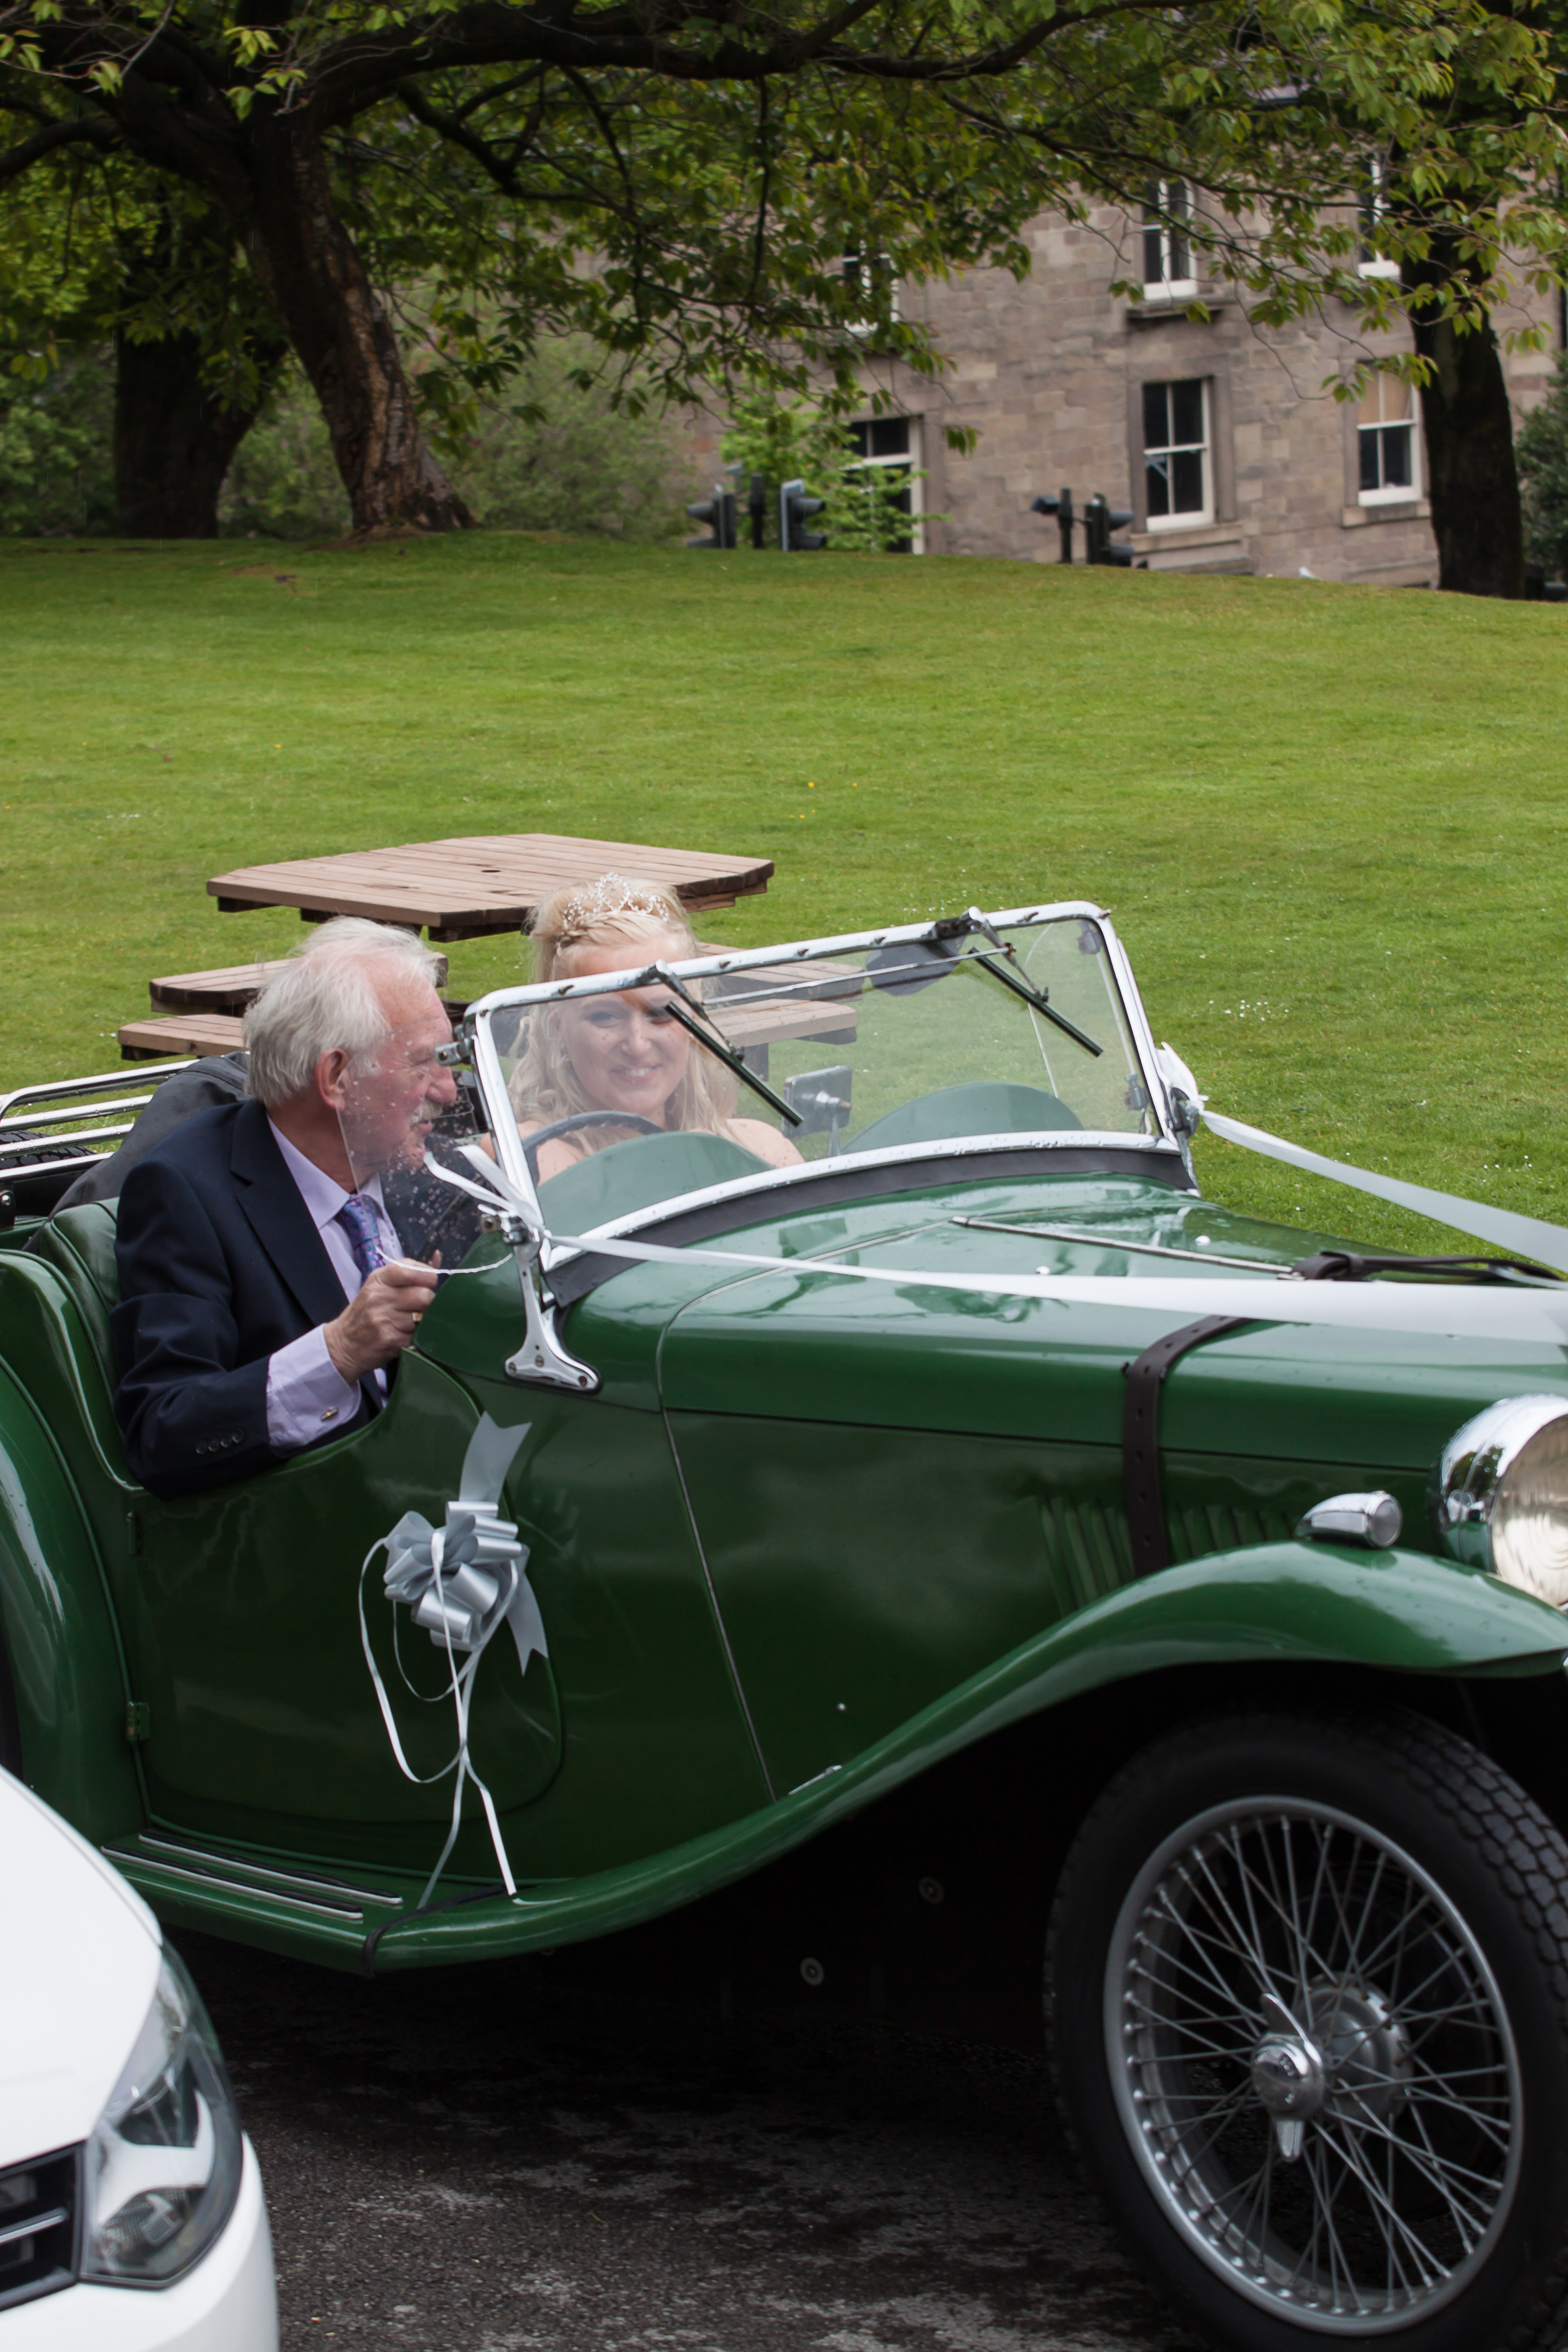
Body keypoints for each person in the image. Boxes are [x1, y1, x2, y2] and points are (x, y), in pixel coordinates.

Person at [112, 919, 457, 1499]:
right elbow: (163, 1434)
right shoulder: (186, 1195)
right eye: (423, 1064)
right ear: (337, 1078)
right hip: (308, 1528)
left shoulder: (434, 1167)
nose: (448, 1090)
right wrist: (339, 1350)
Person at [506, 874, 802, 1180]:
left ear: (695, 1016)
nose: (637, 1045)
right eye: (605, 1016)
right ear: (556, 1024)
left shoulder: (759, 1149)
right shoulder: (527, 1158)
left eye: (662, 1012)